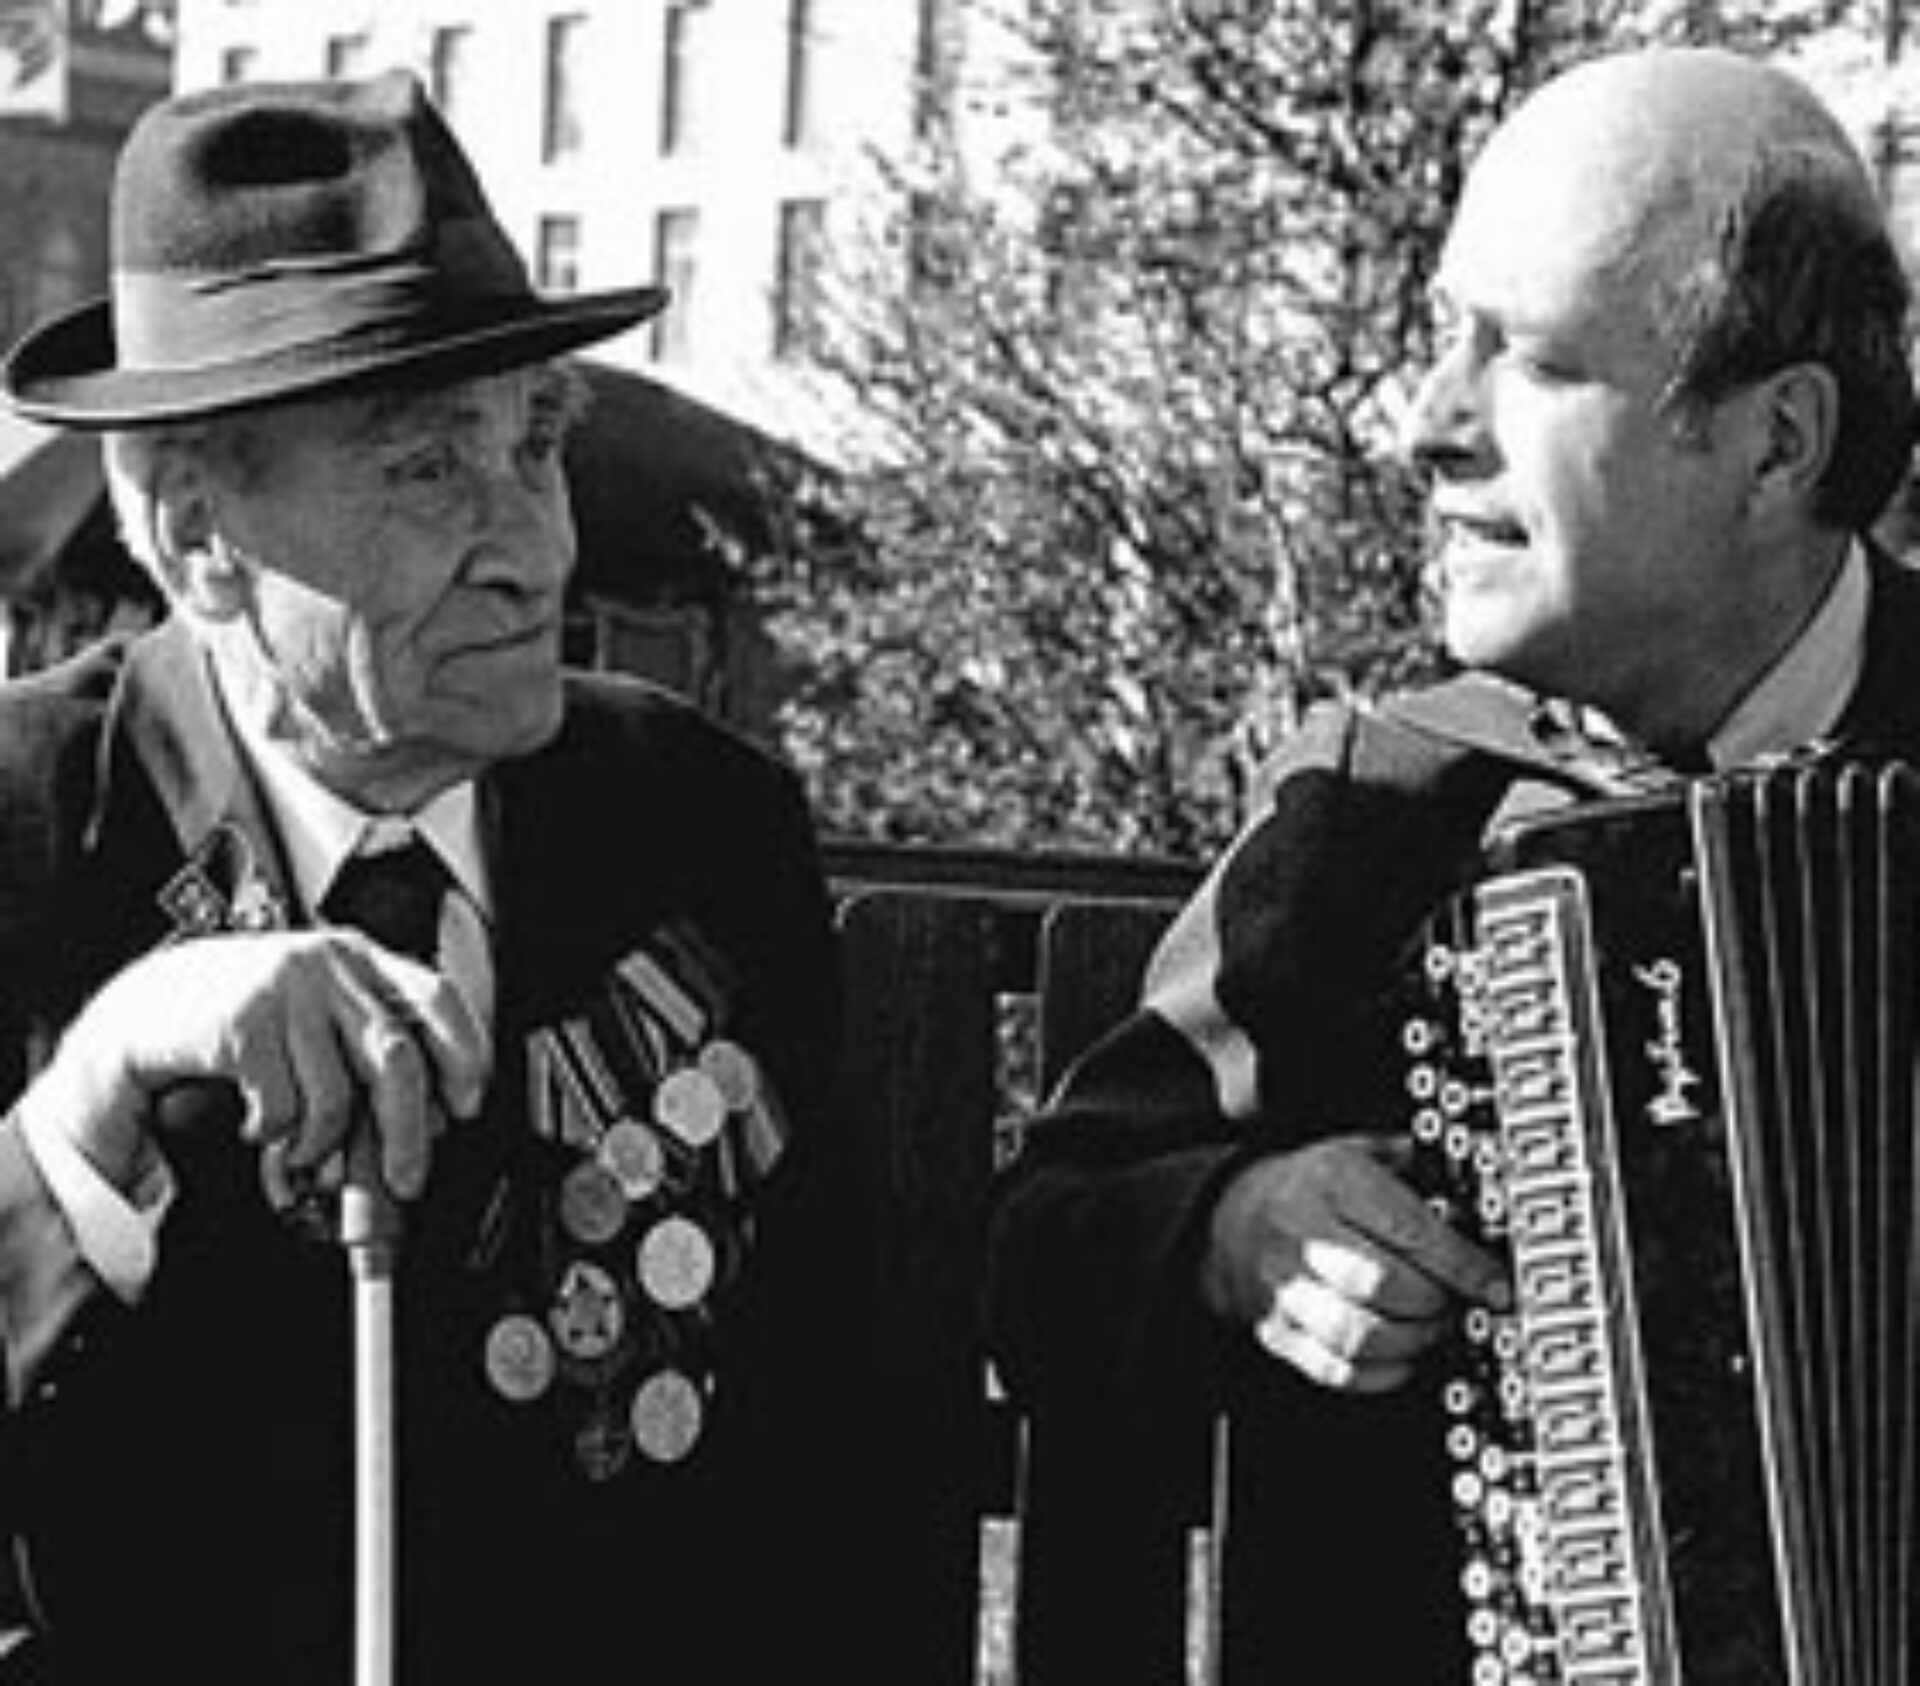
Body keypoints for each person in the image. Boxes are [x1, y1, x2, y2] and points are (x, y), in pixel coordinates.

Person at [983, 42, 1920, 1682]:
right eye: (1442, 336)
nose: (1424, 425)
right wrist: (1237, 1228)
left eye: (1531, 361)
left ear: (1780, 442)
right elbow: (1046, 1245)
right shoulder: (1380, 815)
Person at [0, 70, 885, 1685]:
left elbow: (826, 1441)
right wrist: (88, 1098)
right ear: (197, 538)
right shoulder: (26, 831)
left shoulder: (698, 821)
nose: (533, 548)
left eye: (535, 445)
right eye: (425, 471)